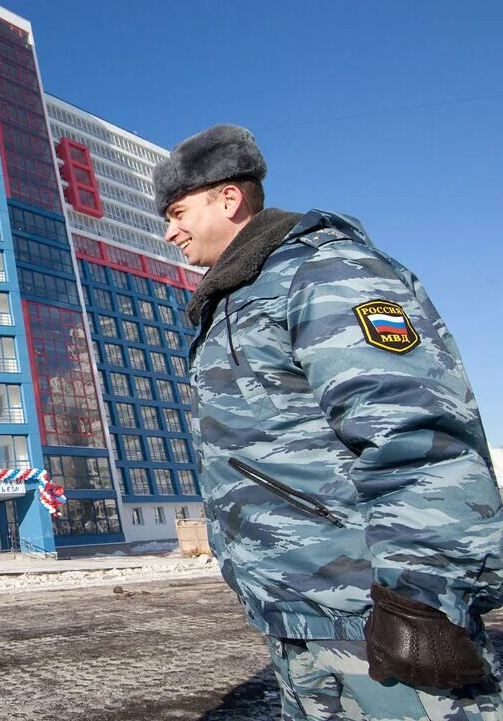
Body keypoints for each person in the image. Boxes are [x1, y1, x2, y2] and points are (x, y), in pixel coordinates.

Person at [155, 124, 503, 720]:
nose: (170, 232)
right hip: (302, 612)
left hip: (374, 614)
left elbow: (414, 431)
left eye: (179, 212)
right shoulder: (237, 298)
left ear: (228, 199)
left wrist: (421, 600)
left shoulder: (324, 273)